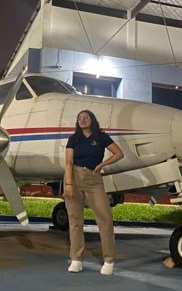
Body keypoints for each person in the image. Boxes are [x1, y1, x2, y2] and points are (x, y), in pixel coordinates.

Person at [64, 109, 124, 275]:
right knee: (75, 220)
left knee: (105, 218)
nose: (82, 119)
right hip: (73, 177)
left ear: (92, 120)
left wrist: (102, 165)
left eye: (86, 117)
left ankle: (109, 260)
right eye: (80, 118)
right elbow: (68, 162)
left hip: (94, 178)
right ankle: (76, 259)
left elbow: (119, 153)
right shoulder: (74, 138)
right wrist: (68, 183)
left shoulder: (101, 137)